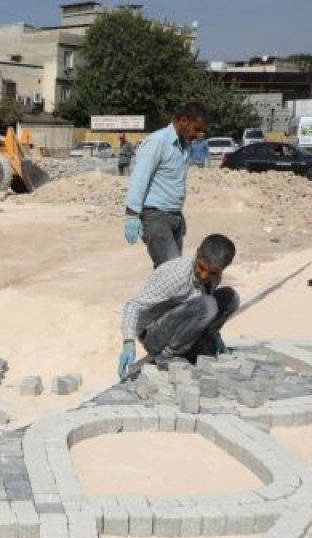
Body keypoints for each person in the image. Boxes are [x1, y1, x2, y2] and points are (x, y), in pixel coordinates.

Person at [117, 234, 239, 380]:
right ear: (197, 252)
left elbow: (198, 305)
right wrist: (128, 343)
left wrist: (215, 334)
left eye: (213, 272)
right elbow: (133, 305)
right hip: (154, 334)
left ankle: (203, 341)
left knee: (230, 297)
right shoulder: (175, 275)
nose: (204, 275)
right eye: (201, 267)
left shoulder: (214, 276)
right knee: (208, 305)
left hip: (182, 327)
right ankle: (167, 355)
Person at [123, 102, 209, 268]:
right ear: (184, 120)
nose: (199, 134)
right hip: (155, 216)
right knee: (172, 271)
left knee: (170, 272)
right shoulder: (157, 142)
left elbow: (172, 182)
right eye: (196, 129)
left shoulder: (184, 146)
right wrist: (132, 215)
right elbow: (139, 177)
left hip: (173, 215)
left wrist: (178, 213)